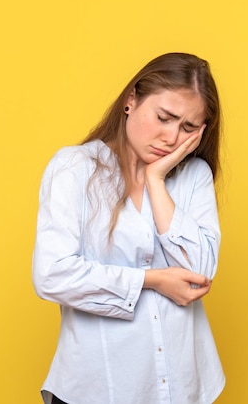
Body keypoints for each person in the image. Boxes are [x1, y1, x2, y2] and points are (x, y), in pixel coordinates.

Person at [32, 52, 225, 404]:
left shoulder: (195, 177)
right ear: (131, 100)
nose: (171, 137)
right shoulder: (74, 169)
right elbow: (52, 274)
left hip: (183, 389)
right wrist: (151, 280)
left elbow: (199, 272)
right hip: (97, 389)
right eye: (164, 118)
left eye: (187, 128)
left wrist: (155, 179)